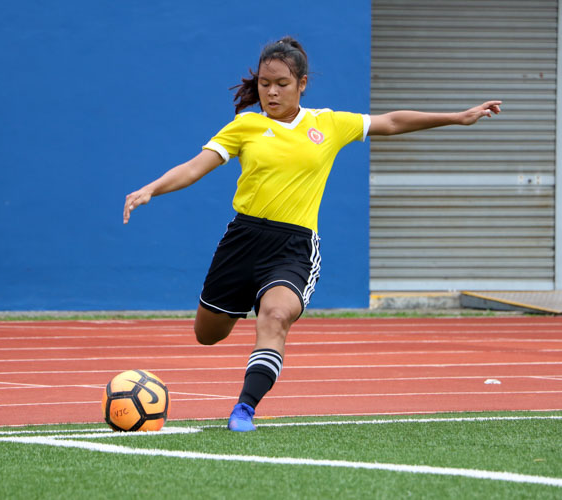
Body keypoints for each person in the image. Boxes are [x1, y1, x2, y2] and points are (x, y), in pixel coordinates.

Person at [123, 36, 501, 432]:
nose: (271, 91)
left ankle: (244, 409)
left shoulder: (328, 124)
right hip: (243, 240)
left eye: (282, 83)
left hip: (294, 245)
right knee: (207, 334)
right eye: (265, 83)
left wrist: (457, 117)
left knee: (276, 314)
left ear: (301, 83)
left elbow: (390, 121)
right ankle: (239, 318)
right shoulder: (246, 126)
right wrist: (153, 187)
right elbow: (196, 166)